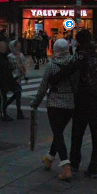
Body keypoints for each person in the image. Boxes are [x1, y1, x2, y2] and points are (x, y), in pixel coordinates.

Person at [51, 29, 97, 178]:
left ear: (78, 41)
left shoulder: (81, 54)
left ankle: (75, 163)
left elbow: (70, 70)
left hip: (83, 97)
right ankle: (94, 167)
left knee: (78, 132)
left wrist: (53, 78)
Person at [31, 38, 76, 181]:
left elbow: (43, 86)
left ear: (55, 50)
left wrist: (35, 103)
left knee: (57, 134)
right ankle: (49, 158)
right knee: (59, 133)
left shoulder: (51, 66)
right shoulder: (74, 64)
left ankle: (66, 167)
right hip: (70, 103)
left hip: (55, 103)